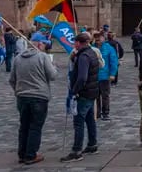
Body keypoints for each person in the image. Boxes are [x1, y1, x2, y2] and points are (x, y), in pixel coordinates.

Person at [9, 33, 57, 165]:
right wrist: (53, 65)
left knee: (24, 126)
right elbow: (53, 76)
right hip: (39, 97)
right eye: (44, 44)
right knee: (35, 126)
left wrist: (18, 91)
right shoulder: (43, 57)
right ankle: (31, 155)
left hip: (22, 97)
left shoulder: (18, 58)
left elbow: (12, 80)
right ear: (40, 44)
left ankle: (22, 154)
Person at [61, 33, 100, 163]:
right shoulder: (91, 52)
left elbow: (82, 77)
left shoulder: (83, 56)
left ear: (78, 43)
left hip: (84, 93)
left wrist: (74, 90)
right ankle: (92, 145)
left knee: (78, 122)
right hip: (92, 91)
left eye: (75, 42)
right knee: (90, 119)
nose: (74, 45)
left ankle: (76, 151)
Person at [94, 32, 118, 121]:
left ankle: (105, 113)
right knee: (96, 96)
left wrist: (112, 74)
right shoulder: (92, 48)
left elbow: (113, 61)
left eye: (99, 38)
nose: (97, 40)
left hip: (105, 76)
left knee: (105, 95)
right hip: (94, 76)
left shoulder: (109, 48)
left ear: (103, 38)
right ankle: (97, 113)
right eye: (96, 38)